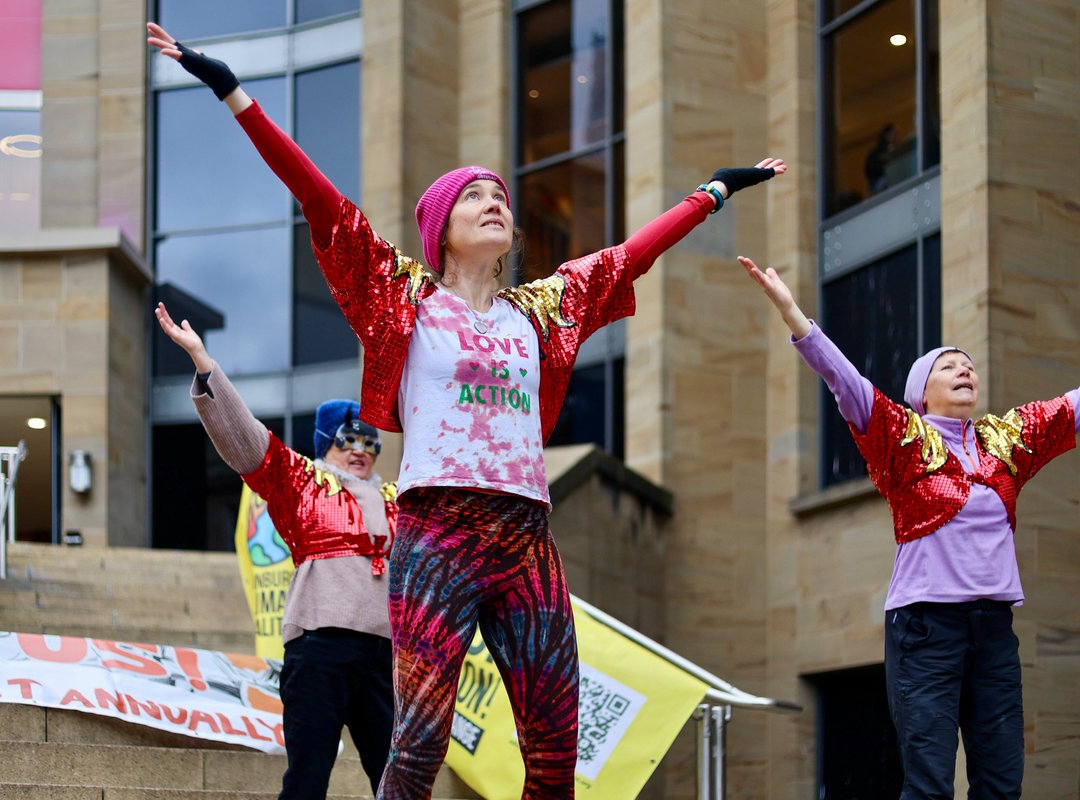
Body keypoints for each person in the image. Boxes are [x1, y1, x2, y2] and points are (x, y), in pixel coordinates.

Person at [147, 22, 784, 797]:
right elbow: (321, 201)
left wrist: (712, 193)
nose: (494, 203)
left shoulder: (542, 310)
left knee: (555, 751)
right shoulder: (403, 298)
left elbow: (629, 257)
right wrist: (232, 92)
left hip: (525, 536)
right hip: (436, 531)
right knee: (418, 746)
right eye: (474, 196)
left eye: (501, 197)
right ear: (440, 228)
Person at [738, 255, 1079, 799]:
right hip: (925, 629)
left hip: (994, 631)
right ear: (921, 393)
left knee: (1001, 784)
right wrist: (792, 313)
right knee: (929, 786)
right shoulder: (901, 438)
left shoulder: (1007, 439)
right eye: (949, 367)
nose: (964, 371)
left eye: (969, 366)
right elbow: (844, 380)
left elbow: (1070, 409)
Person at [155, 302, 397, 798]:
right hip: (320, 647)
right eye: (348, 439)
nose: (360, 450)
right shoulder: (302, 479)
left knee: (400, 783)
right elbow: (247, 441)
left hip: (386, 655)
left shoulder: (402, 497)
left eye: (370, 442)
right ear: (325, 442)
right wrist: (205, 363)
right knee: (307, 779)